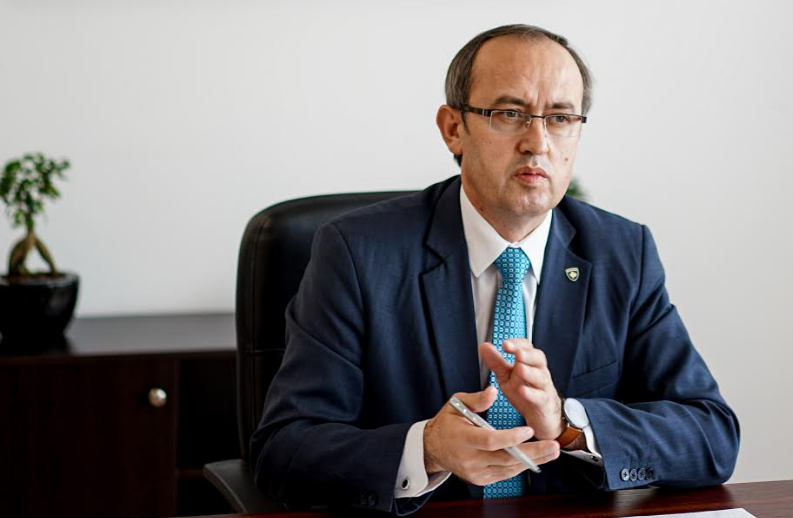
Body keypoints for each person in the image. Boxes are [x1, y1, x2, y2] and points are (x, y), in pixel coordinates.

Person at [249, 24, 740, 515]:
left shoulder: (622, 252)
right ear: (453, 128)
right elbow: (283, 450)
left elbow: (711, 435)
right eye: (510, 114)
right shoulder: (359, 253)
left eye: (561, 117)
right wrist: (427, 449)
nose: (538, 143)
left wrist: (567, 425)